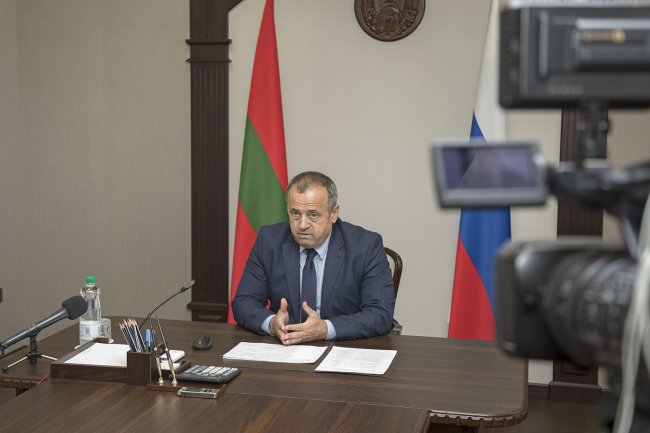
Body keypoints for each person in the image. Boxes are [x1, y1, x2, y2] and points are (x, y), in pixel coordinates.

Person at [231, 171, 395, 344]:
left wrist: (325, 329)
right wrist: (272, 324)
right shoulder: (269, 241)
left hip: (341, 348)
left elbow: (380, 313)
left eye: (313, 215)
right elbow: (244, 302)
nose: (302, 225)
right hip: (284, 347)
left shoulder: (366, 246)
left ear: (334, 213)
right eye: (295, 213)